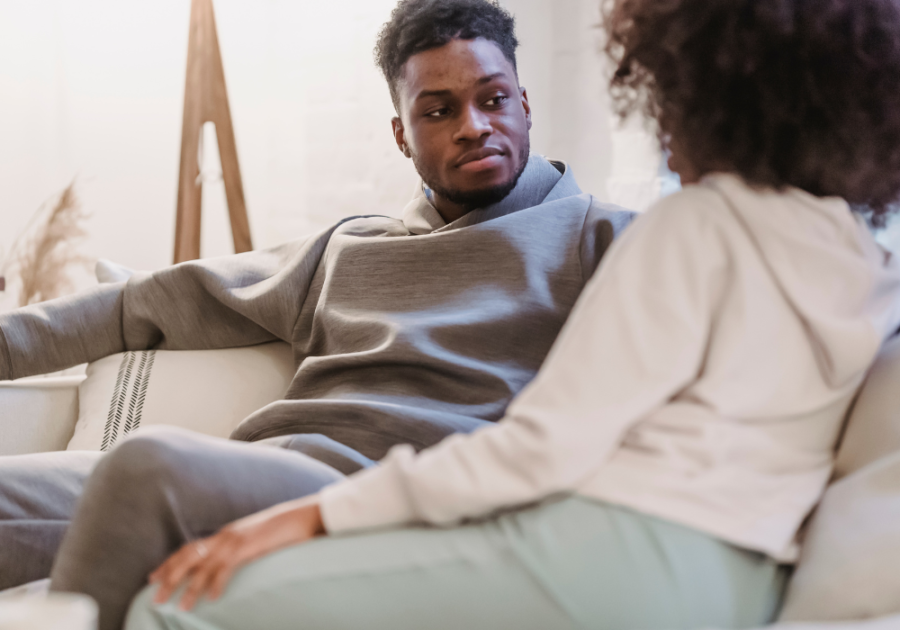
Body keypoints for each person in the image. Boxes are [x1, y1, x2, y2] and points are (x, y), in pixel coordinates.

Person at [110, 0, 900, 628]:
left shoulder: (699, 225)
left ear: (709, 94)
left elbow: (540, 450)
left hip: (617, 555)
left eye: (663, 92)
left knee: (175, 606)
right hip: (740, 584)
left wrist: (313, 518)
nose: (660, 119)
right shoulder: (860, 259)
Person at [0, 0, 632, 616]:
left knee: (149, 468)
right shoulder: (348, 247)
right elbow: (144, 304)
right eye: (438, 110)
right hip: (260, 478)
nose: (473, 125)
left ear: (525, 105)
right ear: (401, 136)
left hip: (386, 506)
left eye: (493, 99)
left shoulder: (600, 239)